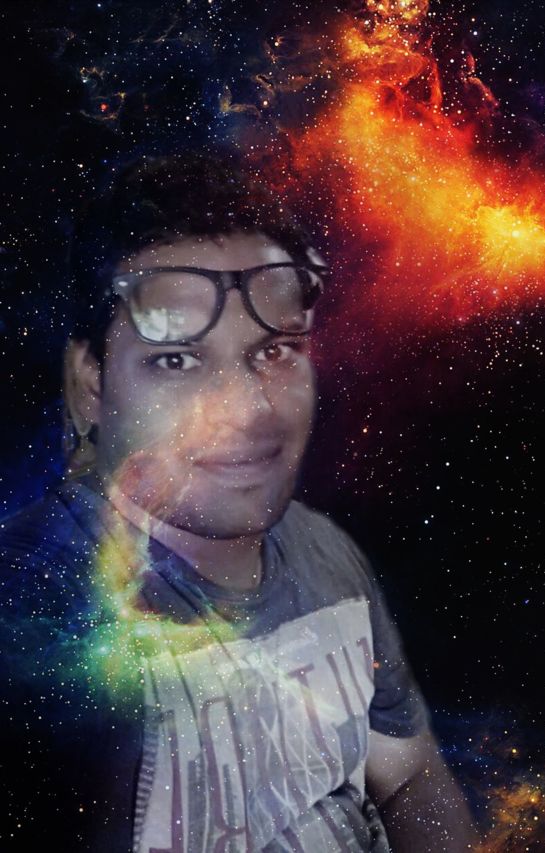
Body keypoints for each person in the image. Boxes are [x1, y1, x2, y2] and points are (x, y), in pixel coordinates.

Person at [0, 152, 477, 852]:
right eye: (177, 360)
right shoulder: (27, 606)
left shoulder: (326, 553)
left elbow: (406, 775)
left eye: (275, 351)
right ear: (91, 384)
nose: (248, 410)